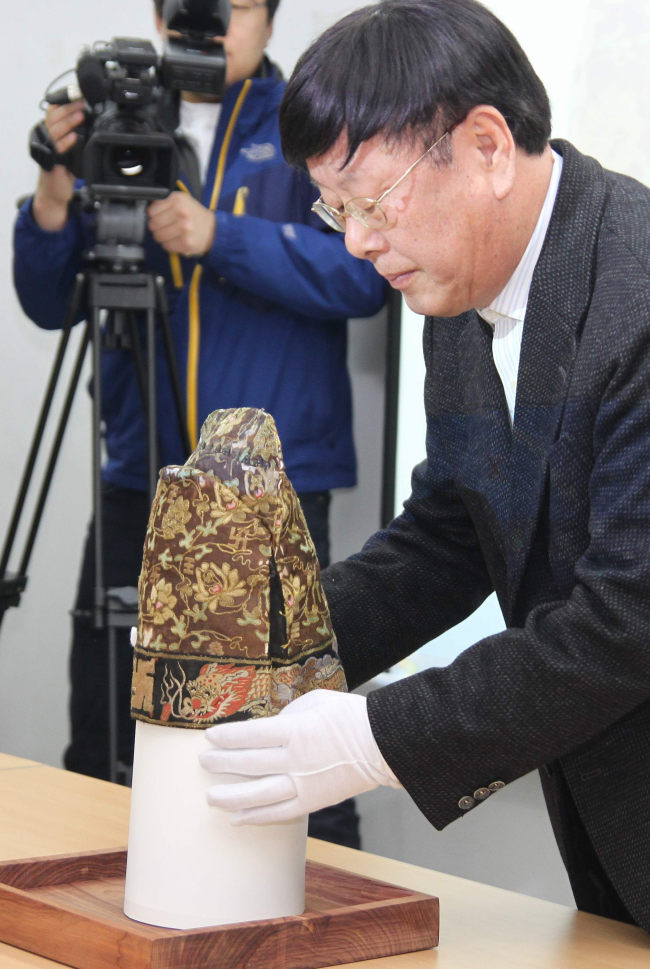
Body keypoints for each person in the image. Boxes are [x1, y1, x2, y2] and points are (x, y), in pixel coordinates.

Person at [198, 0, 650, 933]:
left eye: (372, 200)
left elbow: (628, 619)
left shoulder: (638, 290)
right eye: (336, 209)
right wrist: (263, 644)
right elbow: (455, 528)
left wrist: (375, 737)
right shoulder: (459, 289)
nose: (356, 241)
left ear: (486, 146)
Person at [13, 0, 387, 849]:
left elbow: (363, 277)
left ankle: (308, 900)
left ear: (268, 16)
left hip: (270, 487)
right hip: (140, 473)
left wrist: (220, 235)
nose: (211, 19)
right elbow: (44, 299)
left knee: (283, 728)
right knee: (110, 716)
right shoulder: (116, 118)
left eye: (237, 5)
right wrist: (55, 179)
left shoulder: (312, 124)